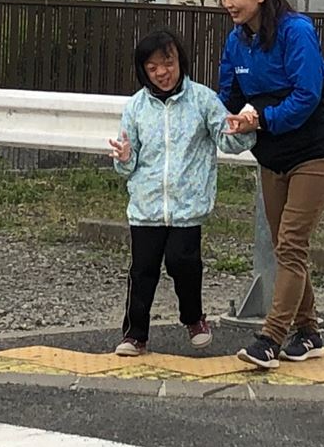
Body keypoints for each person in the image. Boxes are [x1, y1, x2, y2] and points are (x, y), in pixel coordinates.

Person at [218, 0, 324, 370]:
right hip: (272, 158)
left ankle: (270, 337)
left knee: (291, 242)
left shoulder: (297, 32)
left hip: (315, 153)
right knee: (284, 246)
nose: (228, 3)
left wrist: (264, 118)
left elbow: (307, 96)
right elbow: (227, 96)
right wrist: (221, 120)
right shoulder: (237, 40)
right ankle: (308, 331)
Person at [108, 27, 253, 357]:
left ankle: (194, 318)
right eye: (152, 67)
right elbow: (126, 163)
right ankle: (134, 336)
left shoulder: (202, 99)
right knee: (142, 270)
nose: (161, 72)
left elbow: (227, 142)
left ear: (180, 61)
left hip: (188, 206)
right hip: (146, 206)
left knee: (182, 262)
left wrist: (243, 129)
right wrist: (124, 158)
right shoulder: (136, 106)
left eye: (167, 63)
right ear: (143, 70)